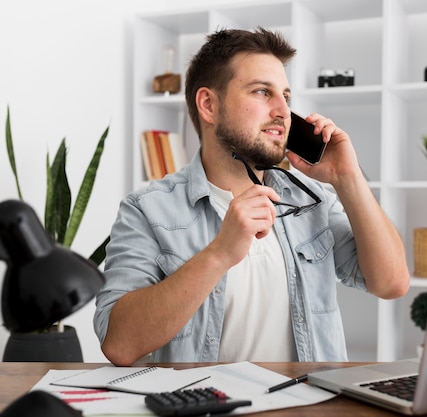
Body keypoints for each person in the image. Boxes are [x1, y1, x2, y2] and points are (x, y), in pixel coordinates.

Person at [94, 27, 410, 366]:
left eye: (286, 97)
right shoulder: (147, 209)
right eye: (262, 92)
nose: (283, 112)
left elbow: (391, 283)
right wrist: (219, 254)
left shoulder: (311, 201)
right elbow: (120, 345)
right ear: (208, 105)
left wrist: (346, 178)